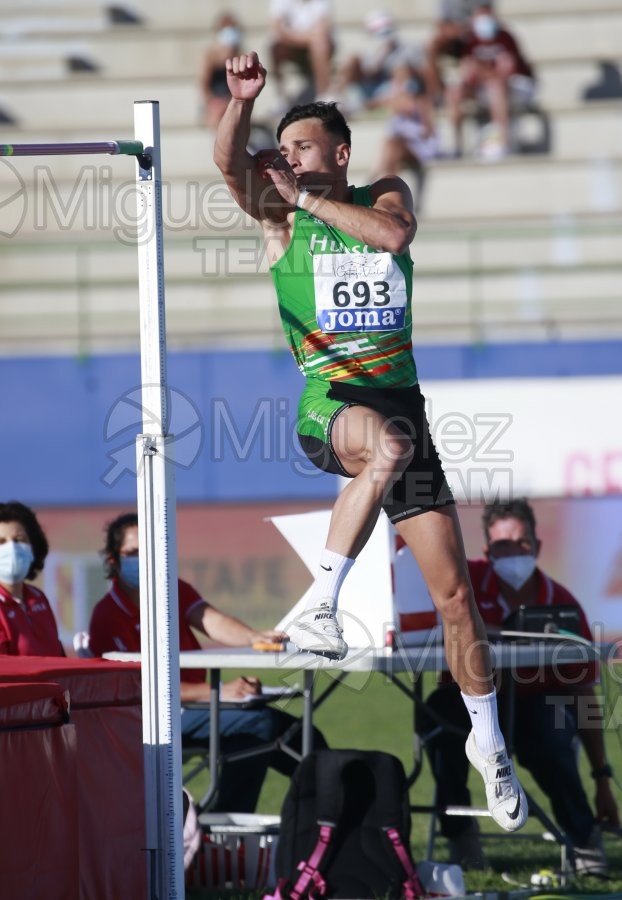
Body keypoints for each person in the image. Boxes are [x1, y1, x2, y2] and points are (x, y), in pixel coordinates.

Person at [213, 51, 528, 834]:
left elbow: (390, 238)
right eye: (283, 152)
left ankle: (490, 746)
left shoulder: (383, 193)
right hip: (334, 404)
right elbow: (226, 161)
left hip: (402, 407)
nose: (288, 162)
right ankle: (320, 607)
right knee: (380, 445)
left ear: (340, 155)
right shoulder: (278, 218)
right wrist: (241, 103)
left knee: (457, 600)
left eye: (304, 149)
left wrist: (312, 200)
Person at [418, 499, 619, 873]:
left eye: (521, 543)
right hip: (470, 706)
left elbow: (583, 694)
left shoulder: (563, 604)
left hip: (534, 705)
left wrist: (602, 777)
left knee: (552, 725)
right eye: (502, 546)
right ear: (486, 551)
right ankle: (461, 837)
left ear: (538, 547)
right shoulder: (464, 586)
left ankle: (582, 839)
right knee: (436, 713)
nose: (513, 553)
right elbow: (434, 627)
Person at [88, 512, 327, 813]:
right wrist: (219, 693)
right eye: (133, 553)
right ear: (113, 561)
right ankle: (226, 823)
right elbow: (140, 689)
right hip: (150, 719)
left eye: (149, 550)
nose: (142, 559)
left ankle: (326, 809)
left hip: (198, 706)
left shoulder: (172, 589)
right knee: (257, 725)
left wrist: (254, 637)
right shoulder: (106, 617)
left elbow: (211, 620)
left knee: (298, 733)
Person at [445, 2, 535, 159]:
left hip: (516, 87)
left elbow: (506, 73)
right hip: (486, 88)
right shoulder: (470, 42)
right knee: (454, 91)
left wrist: (480, 70)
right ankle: (457, 147)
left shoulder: (505, 37)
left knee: (495, 86)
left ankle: (503, 142)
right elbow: (468, 75)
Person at [0, 500, 64, 656]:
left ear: (33, 547)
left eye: (19, 540)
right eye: (1, 542)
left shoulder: (38, 598)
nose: (12, 549)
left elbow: (57, 657)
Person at [269, 0, 334, 106]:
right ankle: (281, 99)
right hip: (295, 44)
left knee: (320, 46)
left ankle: (323, 95)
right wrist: (307, 39)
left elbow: (323, 28)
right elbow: (278, 30)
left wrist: (297, 37)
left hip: (314, 44)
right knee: (275, 49)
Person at [200, 13, 244, 128]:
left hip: (232, 98)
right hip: (216, 99)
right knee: (218, 113)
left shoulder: (240, 55)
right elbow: (204, 83)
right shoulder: (211, 56)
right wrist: (211, 100)